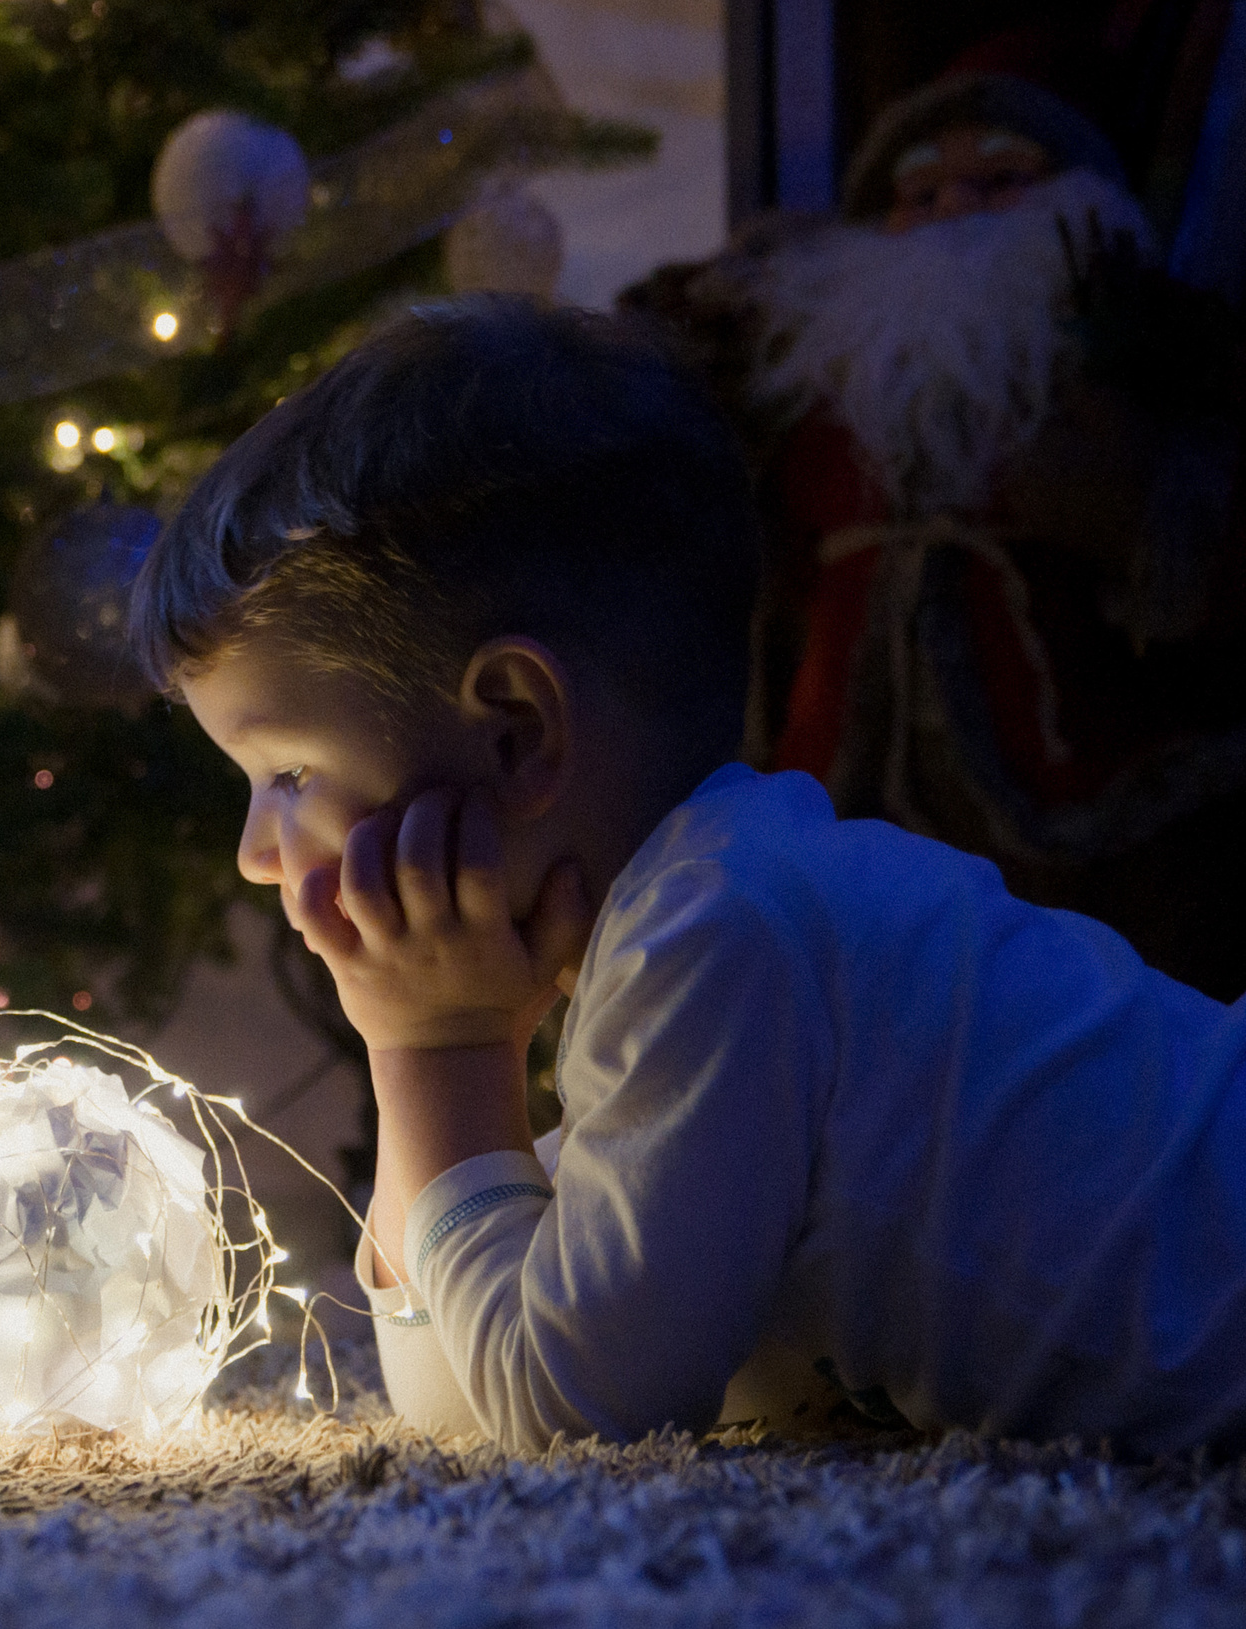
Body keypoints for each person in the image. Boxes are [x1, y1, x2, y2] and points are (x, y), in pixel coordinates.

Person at [131, 296, 1246, 1454]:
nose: (257, 855)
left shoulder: (711, 933)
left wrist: (439, 1055)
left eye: (288, 773)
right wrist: (446, 1077)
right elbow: (461, 1396)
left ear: (515, 733)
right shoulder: (687, 936)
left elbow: (573, 1414)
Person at [625, 72, 1246, 998]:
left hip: (1080, 808)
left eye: (1000, 183)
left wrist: (1123, 504)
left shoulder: (1108, 371)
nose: (958, 207)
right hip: (828, 794)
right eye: (920, 195)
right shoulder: (813, 379)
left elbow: (1202, 555)